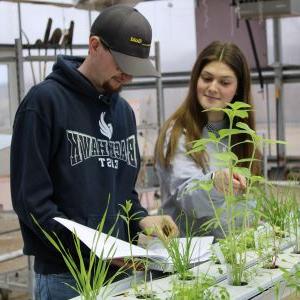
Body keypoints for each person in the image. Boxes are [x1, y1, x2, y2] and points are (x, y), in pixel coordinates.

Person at [10, 5, 178, 300]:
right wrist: (93, 250)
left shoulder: (123, 113)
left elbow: (123, 191)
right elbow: (31, 203)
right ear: (94, 45)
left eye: (135, 69)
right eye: (122, 64)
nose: (128, 76)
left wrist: (141, 218)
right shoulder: (44, 103)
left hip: (121, 271)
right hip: (66, 277)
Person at [155, 41, 261, 238]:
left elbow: (248, 200)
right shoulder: (178, 132)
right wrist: (214, 183)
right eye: (207, 78)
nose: (213, 87)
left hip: (231, 253)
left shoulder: (241, 135)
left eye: (224, 82)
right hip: (190, 257)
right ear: (196, 79)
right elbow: (187, 197)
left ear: (238, 89)